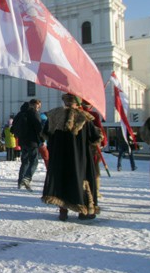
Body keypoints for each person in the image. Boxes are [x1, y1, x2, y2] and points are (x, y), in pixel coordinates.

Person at [41, 93, 103, 221]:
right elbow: (95, 138)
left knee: (61, 179)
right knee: (80, 179)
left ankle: (63, 211)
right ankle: (82, 211)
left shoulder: (54, 115)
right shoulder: (84, 117)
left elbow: (45, 133)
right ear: (78, 103)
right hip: (79, 157)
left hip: (59, 156)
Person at [13, 99, 43, 190]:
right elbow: (39, 127)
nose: (39, 108)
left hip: (22, 141)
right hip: (32, 142)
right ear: (35, 105)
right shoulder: (33, 113)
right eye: (39, 106)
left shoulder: (20, 113)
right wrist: (42, 139)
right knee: (34, 161)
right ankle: (27, 178)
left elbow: (13, 127)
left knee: (25, 162)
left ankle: (20, 182)